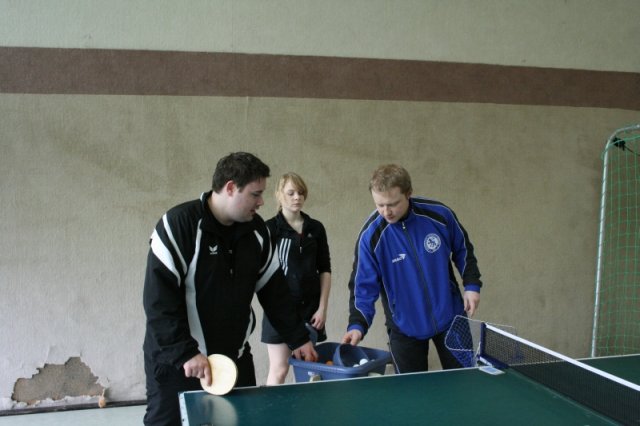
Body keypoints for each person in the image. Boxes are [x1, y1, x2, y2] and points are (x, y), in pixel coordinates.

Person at [142, 152, 317, 426]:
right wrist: (184, 352)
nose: (261, 202)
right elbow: (158, 302)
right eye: (255, 194)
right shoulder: (178, 226)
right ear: (231, 188)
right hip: (177, 362)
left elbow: (275, 293)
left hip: (233, 360)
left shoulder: (257, 232)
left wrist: (298, 338)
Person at [342, 164, 482, 374]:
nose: (386, 212)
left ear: (409, 194)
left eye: (393, 204)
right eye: (380, 205)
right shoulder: (371, 237)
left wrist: (471, 285)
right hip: (403, 328)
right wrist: (357, 324)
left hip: (451, 318)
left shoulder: (439, 215)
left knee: (465, 382)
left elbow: (463, 249)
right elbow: (362, 286)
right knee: (412, 393)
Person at [261, 173, 332, 385]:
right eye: (291, 193)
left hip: (310, 312)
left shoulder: (316, 228)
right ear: (279, 195)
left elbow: (325, 269)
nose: (297, 197)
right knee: (280, 370)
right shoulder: (269, 229)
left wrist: (322, 308)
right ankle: (273, 408)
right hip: (279, 312)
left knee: (308, 371)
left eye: (300, 193)